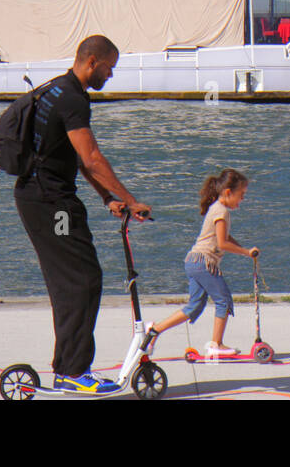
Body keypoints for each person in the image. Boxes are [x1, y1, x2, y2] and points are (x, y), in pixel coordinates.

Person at [14, 34, 152, 394]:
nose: (110, 75)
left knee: (75, 279)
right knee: (80, 279)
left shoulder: (58, 89)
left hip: (44, 198)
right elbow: (91, 157)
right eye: (109, 68)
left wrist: (108, 197)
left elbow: (75, 157)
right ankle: (72, 372)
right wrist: (132, 199)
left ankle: (68, 367)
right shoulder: (74, 99)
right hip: (52, 205)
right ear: (92, 62)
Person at [144, 169, 258, 358]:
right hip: (204, 262)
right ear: (228, 192)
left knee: (195, 306)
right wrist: (246, 252)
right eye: (242, 195)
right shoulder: (222, 211)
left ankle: (155, 330)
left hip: (194, 261)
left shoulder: (217, 208)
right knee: (223, 300)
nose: (243, 199)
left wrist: (246, 252)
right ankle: (216, 344)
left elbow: (225, 237)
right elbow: (222, 243)